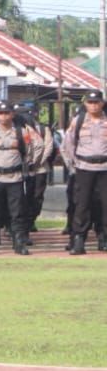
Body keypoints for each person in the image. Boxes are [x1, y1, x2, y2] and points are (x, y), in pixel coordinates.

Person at [0, 100, 34, 256]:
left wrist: (25, 167)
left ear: (13, 113)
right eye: (0, 113)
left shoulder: (22, 132)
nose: (4, 116)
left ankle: (19, 243)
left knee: (17, 212)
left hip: (15, 178)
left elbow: (29, 152)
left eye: (7, 113)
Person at [62, 88, 107, 254]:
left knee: (105, 204)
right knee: (82, 204)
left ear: (102, 103)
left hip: (104, 168)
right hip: (84, 167)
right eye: (90, 102)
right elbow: (69, 144)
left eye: (96, 102)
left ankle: (103, 237)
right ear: (85, 104)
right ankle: (79, 239)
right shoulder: (78, 120)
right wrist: (74, 164)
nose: (94, 106)